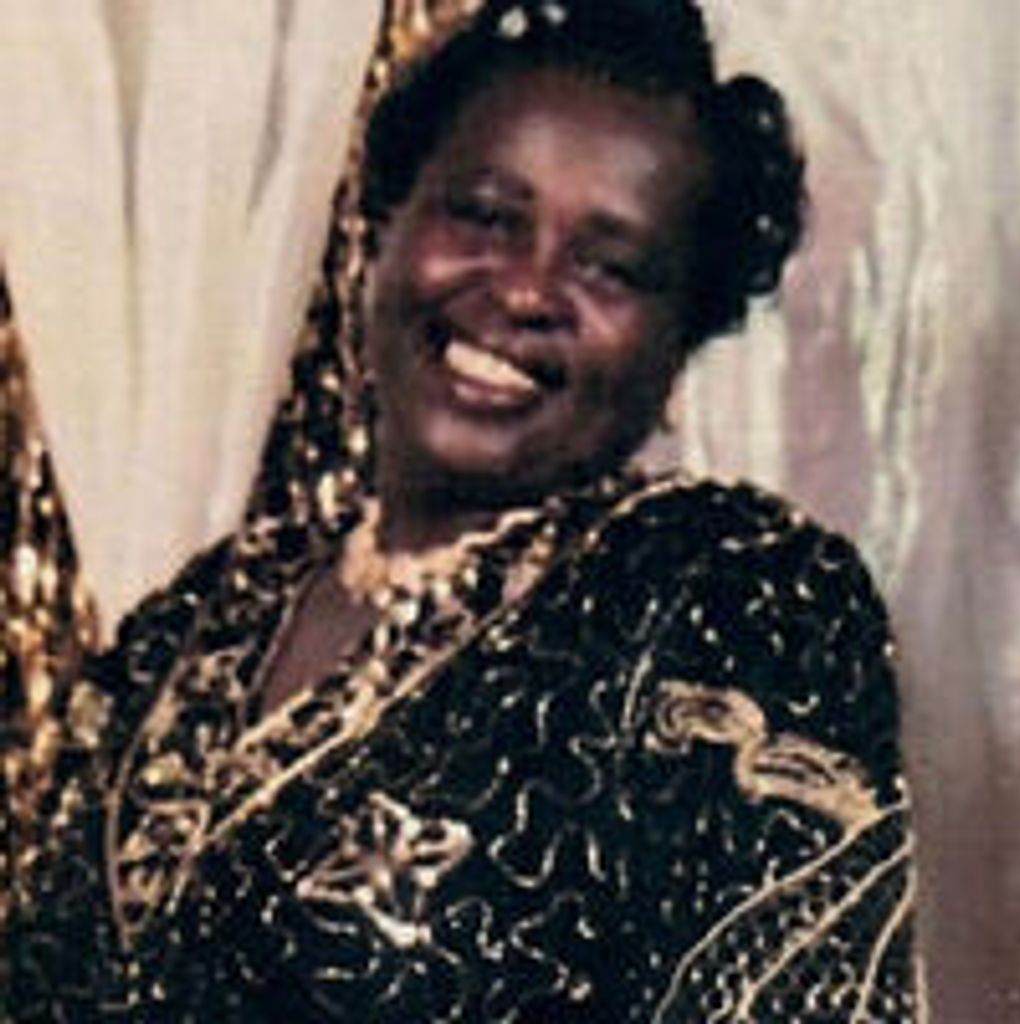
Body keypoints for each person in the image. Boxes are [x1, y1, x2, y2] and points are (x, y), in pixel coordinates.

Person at [4, 1, 920, 1020]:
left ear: (680, 343)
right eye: (485, 215)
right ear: (384, 227)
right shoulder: (192, 621)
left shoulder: (723, 595)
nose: (526, 289)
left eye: (611, 266)